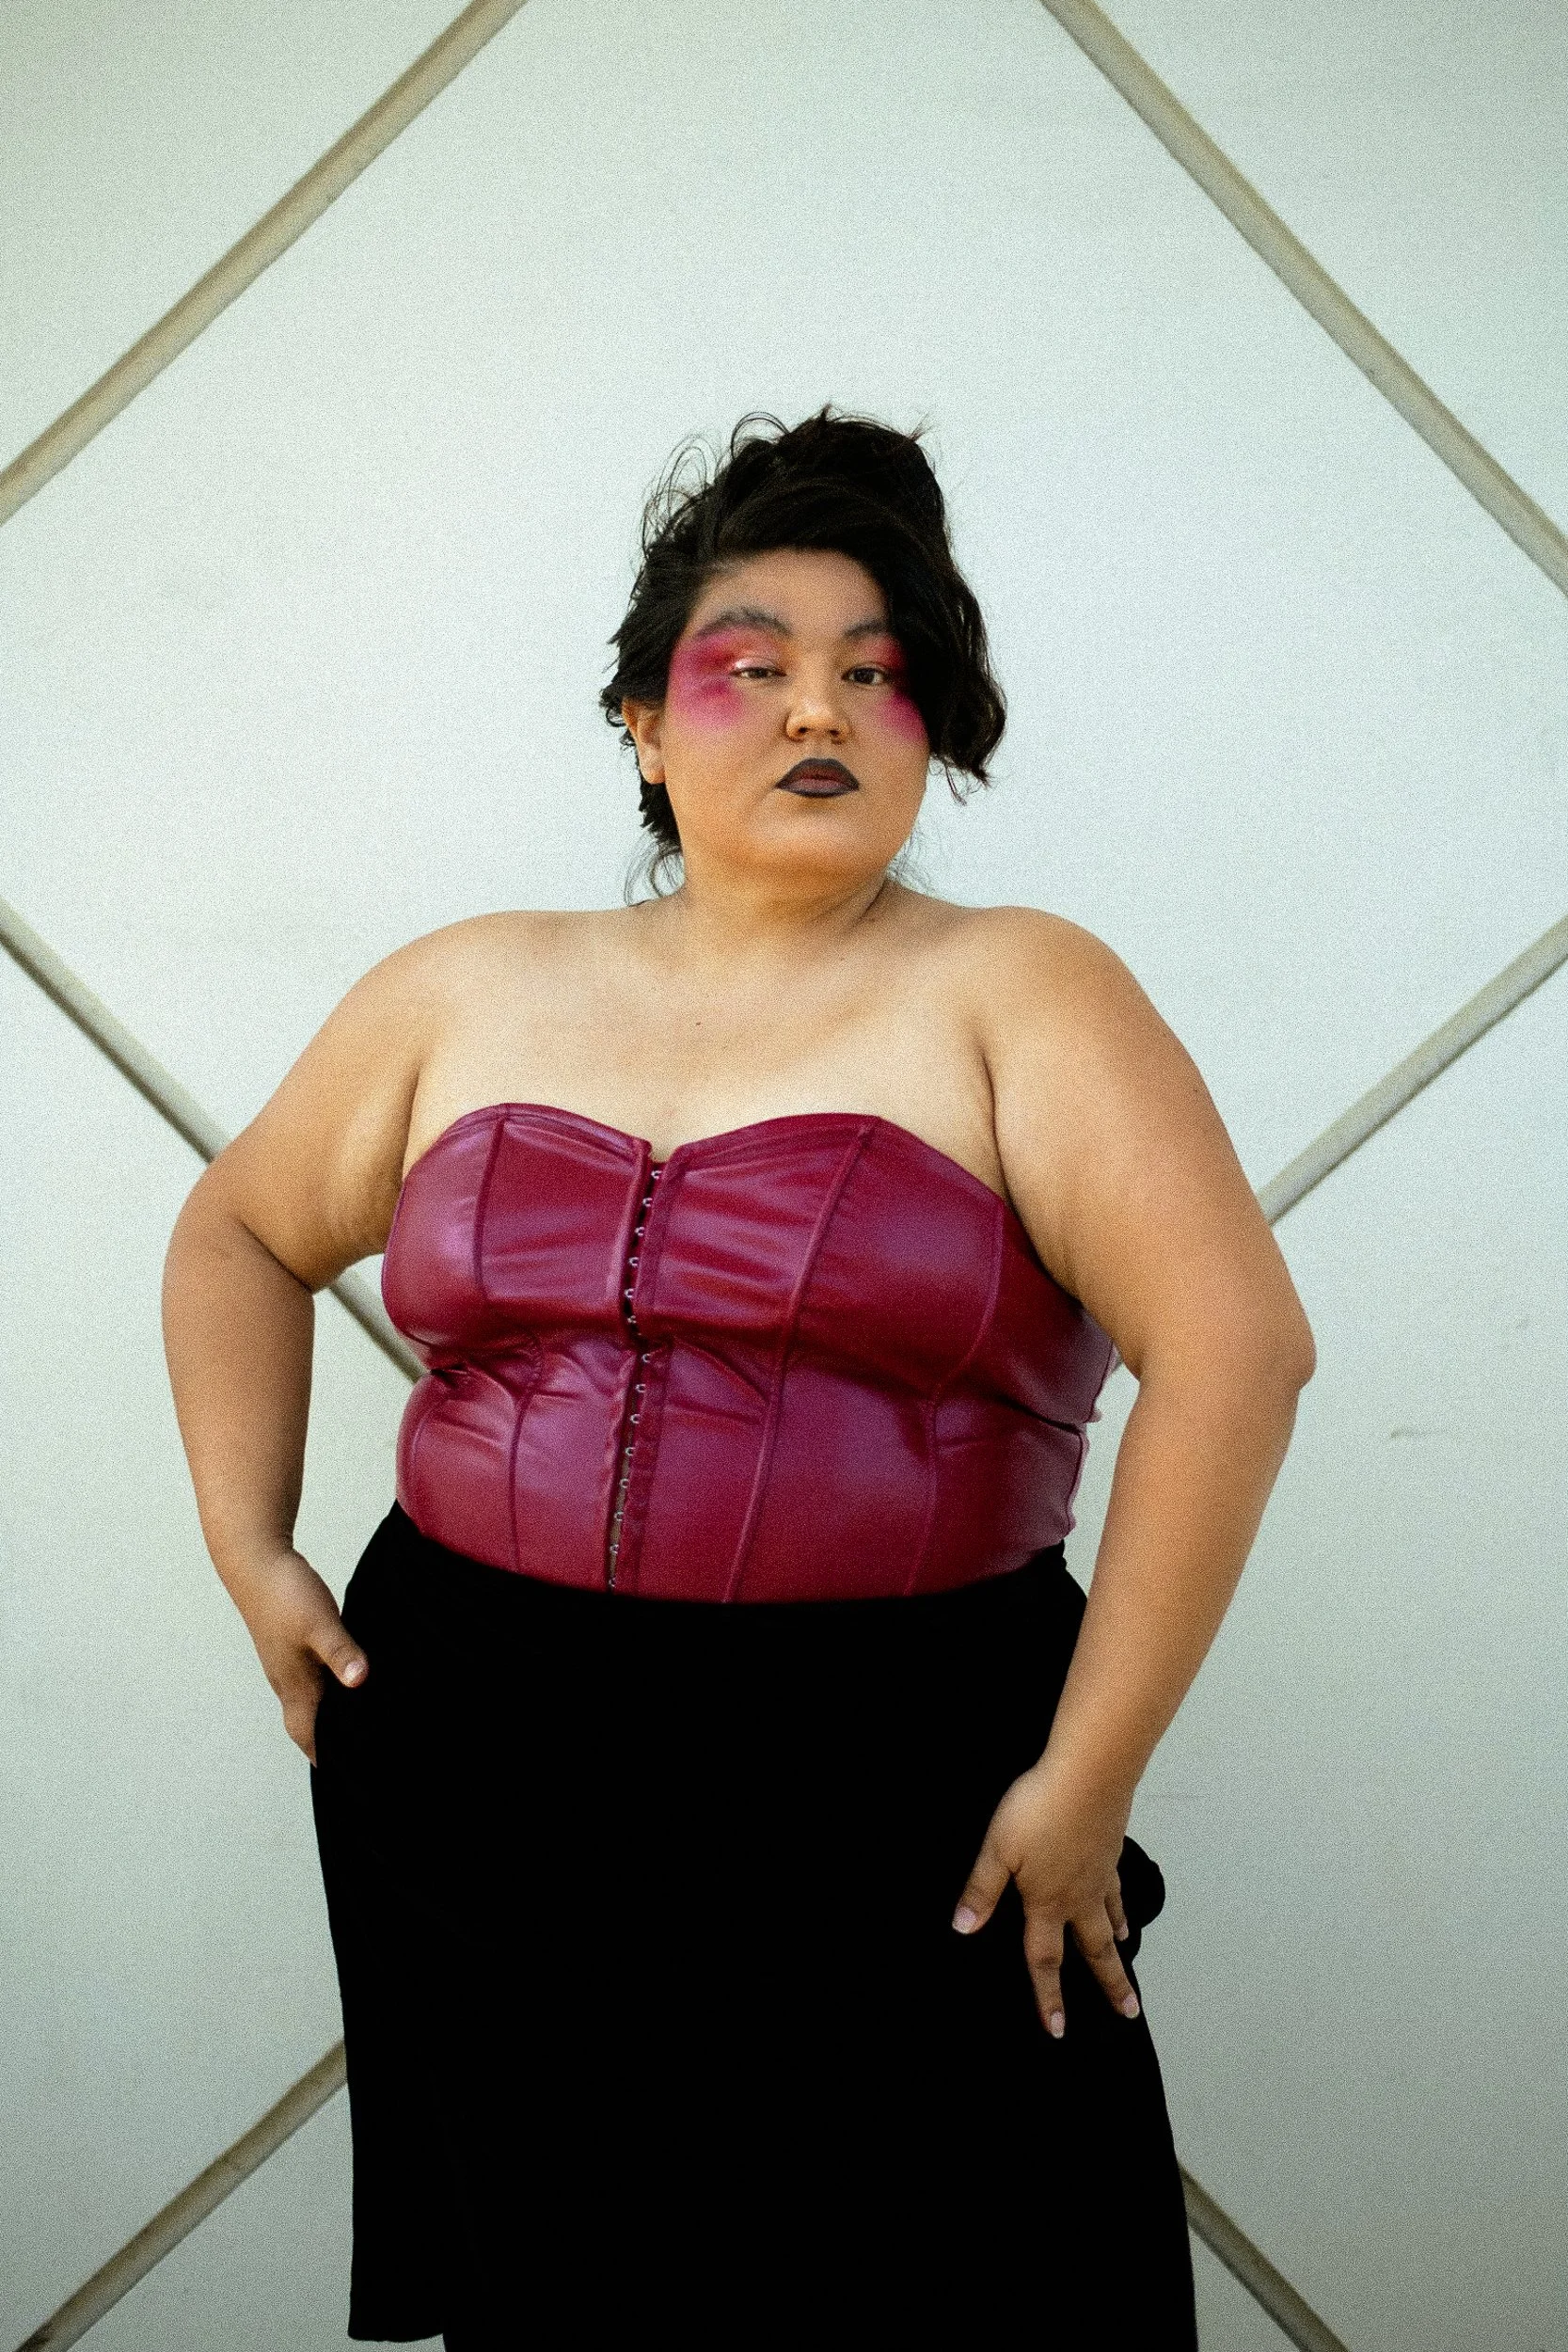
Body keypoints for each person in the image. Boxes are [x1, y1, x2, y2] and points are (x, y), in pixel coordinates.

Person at [163, 409, 1314, 2346]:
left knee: (949, 2284)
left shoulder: (1022, 987)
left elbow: (1235, 1352)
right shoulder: (463, 984)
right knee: (559, 2285)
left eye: (876, 673)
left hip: (900, 1767)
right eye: (752, 665)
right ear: (639, 721)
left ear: (932, 732)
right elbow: (240, 1233)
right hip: (477, 1744)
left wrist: (1087, 1774)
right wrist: (247, 1543)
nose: (817, 710)